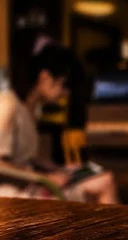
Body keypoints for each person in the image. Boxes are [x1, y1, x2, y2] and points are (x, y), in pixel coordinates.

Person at [0, 46, 118, 204]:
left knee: (104, 180)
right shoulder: (8, 103)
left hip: (30, 184)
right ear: (45, 77)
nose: (65, 93)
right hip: (12, 192)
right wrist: (45, 177)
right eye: (63, 84)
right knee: (105, 183)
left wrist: (55, 167)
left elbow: (22, 158)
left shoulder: (31, 110)